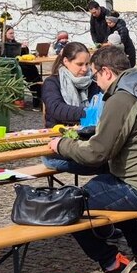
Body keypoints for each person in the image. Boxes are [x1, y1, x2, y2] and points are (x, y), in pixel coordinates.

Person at [48, 47, 137, 273]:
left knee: (69, 204)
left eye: (95, 75)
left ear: (107, 72)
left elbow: (96, 154)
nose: (95, 81)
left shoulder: (121, 98)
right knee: (108, 187)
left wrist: (61, 146)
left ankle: (111, 262)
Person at [40, 42, 102, 174]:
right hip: (58, 145)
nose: (85, 69)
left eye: (87, 64)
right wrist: (88, 113)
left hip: (87, 141)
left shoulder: (94, 83)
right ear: (66, 61)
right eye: (79, 64)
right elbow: (56, 109)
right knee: (105, 164)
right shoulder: (52, 82)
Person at [0, 26, 42, 109]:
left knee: (33, 70)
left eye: (13, 33)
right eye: (10, 33)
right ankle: (36, 94)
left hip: (21, 65)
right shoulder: (2, 44)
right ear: (4, 34)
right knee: (31, 72)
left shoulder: (15, 43)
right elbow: (10, 55)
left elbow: (22, 55)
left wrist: (25, 48)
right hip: (12, 67)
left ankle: (37, 94)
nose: (12, 35)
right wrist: (19, 48)